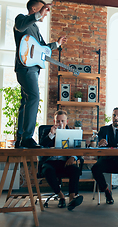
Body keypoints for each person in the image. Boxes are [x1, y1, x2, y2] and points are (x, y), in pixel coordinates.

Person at [14, 0, 66, 148]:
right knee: (34, 97)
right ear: (34, 8)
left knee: (26, 101)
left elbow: (43, 48)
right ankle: (27, 138)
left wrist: (56, 44)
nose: (45, 12)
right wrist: (38, 15)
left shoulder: (35, 28)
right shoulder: (21, 19)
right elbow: (20, 26)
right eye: (43, 9)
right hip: (25, 68)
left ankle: (20, 138)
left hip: (33, 69)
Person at [39, 110, 83, 211]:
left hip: (64, 162)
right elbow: (41, 146)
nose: (60, 124)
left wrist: (73, 157)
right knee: (47, 171)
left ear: (66, 121)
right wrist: (51, 135)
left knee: (75, 170)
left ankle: (72, 198)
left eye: (62, 121)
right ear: (54, 121)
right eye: (58, 121)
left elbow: (78, 148)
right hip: (50, 161)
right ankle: (61, 196)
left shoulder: (71, 132)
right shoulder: (47, 132)